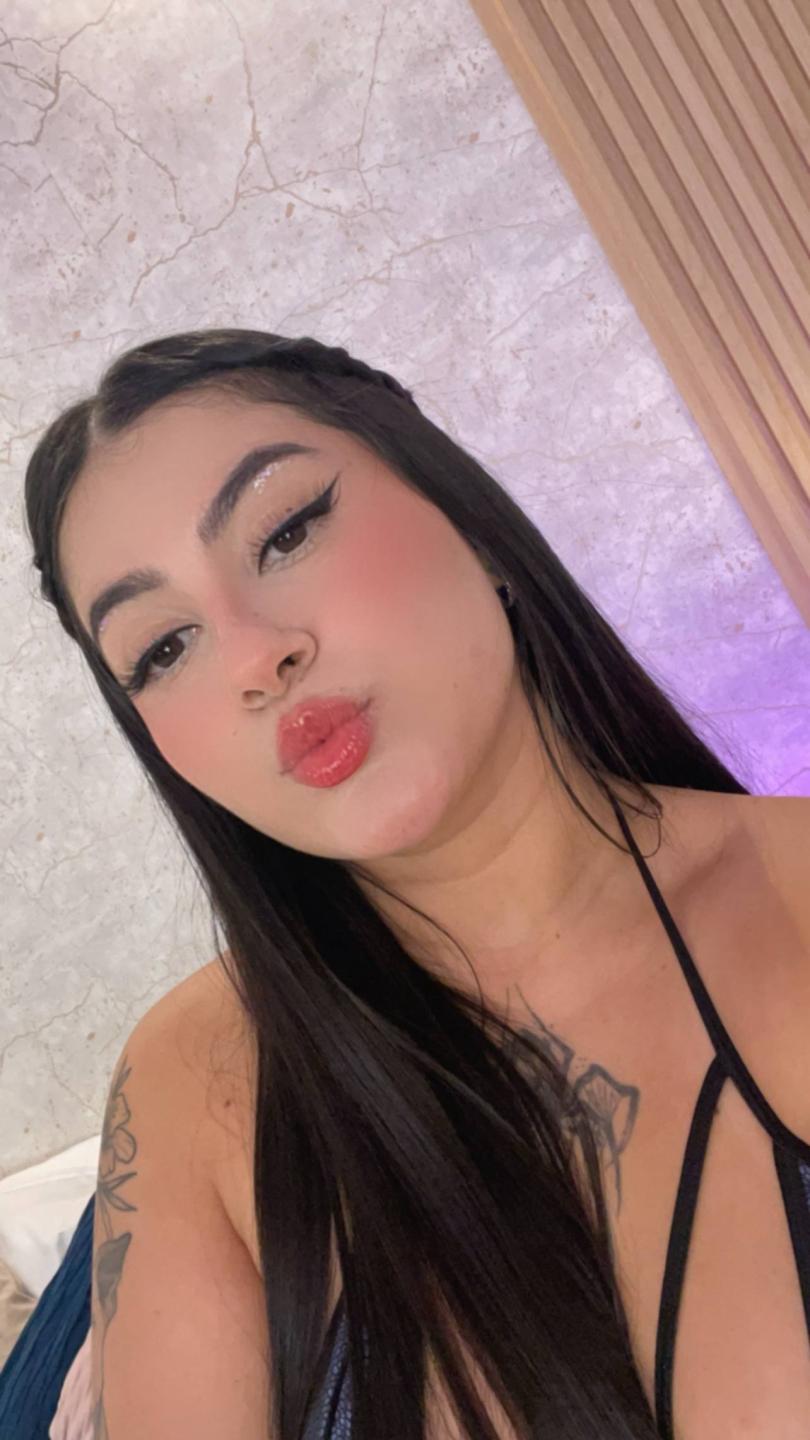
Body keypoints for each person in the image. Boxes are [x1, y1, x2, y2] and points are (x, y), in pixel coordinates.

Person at [14, 328, 810, 1439]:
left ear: (469, 519)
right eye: (162, 649)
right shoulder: (196, 1074)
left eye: (287, 531)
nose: (253, 659)